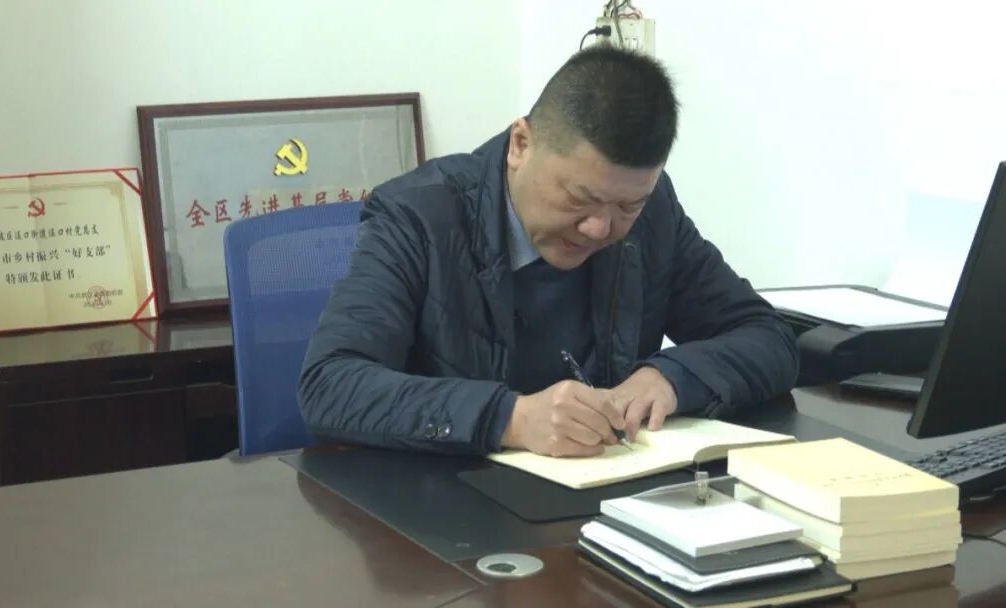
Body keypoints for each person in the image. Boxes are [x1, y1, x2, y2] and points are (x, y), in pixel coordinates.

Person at [298, 46, 798, 458]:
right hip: (448, 513)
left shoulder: (653, 215)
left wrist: (670, 376)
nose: (600, 227)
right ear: (521, 144)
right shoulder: (418, 217)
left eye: (628, 205)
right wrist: (509, 419)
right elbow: (330, 385)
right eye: (579, 198)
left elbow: (767, 335)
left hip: (600, 509)